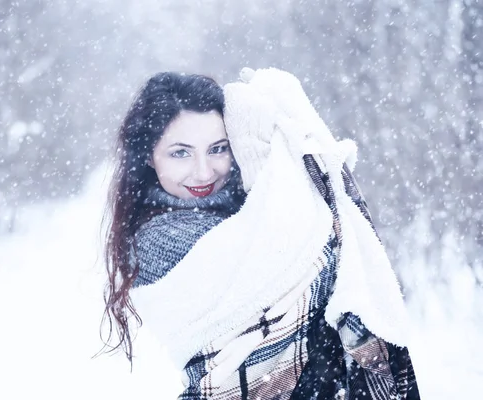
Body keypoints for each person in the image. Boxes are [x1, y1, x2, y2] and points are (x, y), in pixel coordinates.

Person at [100, 69, 420, 399]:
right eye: (180, 152)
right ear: (149, 156)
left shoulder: (251, 207)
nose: (204, 171)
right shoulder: (159, 237)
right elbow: (313, 262)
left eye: (218, 149)